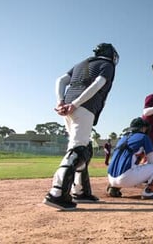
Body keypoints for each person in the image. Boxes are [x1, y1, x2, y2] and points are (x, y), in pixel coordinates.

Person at [43, 43, 118, 211]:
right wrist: (77, 104)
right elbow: (98, 84)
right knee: (78, 149)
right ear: (111, 55)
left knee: (85, 148)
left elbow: (61, 80)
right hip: (84, 106)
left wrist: (61, 101)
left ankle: (80, 191)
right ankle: (57, 193)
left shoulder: (81, 64)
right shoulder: (107, 65)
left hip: (70, 105)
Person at [106, 117, 153, 199]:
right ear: (143, 128)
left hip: (110, 178)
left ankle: (113, 189)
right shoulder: (143, 137)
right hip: (126, 178)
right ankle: (148, 192)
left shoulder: (122, 138)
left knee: (132, 159)